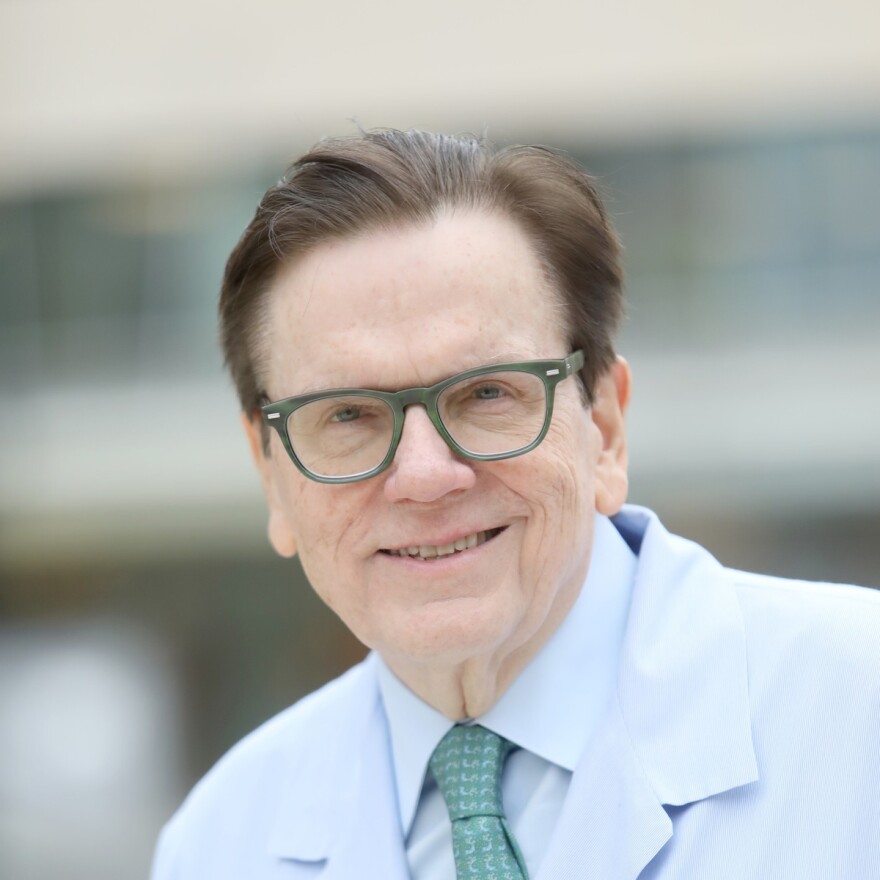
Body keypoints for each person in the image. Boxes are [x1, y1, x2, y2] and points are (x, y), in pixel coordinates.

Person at [151, 129, 880, 880]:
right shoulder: (218, 843)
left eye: (487, 394)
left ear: (605, 426)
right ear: (271, 475)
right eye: (347, 415)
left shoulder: (860, 713)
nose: (425, 475)